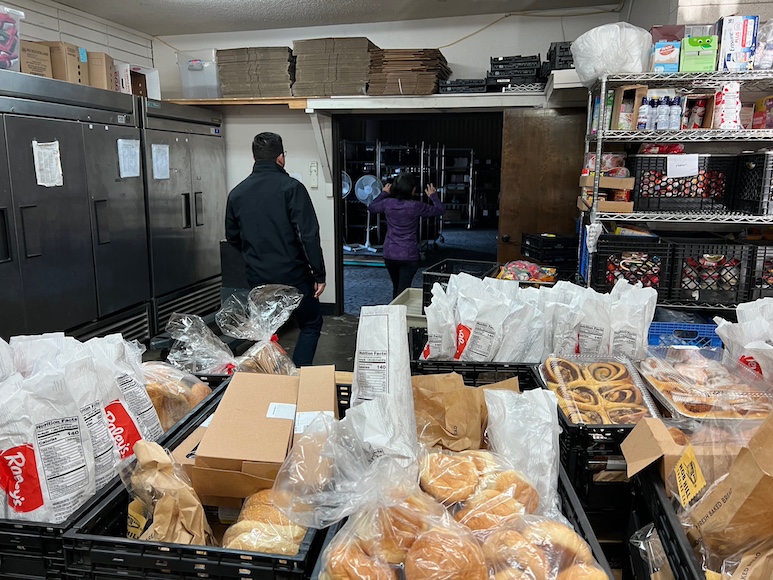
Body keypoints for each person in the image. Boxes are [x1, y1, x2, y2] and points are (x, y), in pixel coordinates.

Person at [225, 132, 326, 367]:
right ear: (281, 157)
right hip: (294, 275)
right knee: (311, 323)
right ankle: (298, 374)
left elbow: (232, 237)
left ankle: (271, 377)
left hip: (258, 277)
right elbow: (308, 235)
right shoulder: (292, 188)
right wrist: (319, 274)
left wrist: (254, 257)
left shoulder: (237, 193)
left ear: (254, 157)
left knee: (265, 331)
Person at [368, 173, 444, 299]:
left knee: (396, 287)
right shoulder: (416, 206)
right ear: (412, 189)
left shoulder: (387, 203)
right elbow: (440, 210)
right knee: (403, 291)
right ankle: (398, 310)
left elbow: (371, 207)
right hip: (408, 254)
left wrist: (384, 193)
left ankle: (394, 309)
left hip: (390, 253)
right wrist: (433, 195)